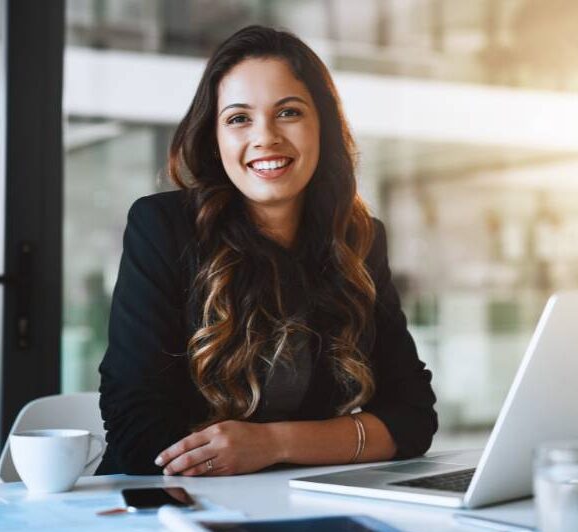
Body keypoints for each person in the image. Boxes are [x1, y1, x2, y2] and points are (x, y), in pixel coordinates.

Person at [96, 25, 437, 477]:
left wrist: (273, 443)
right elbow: (137, 429)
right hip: (169, 507)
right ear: (215, 140)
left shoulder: (359, 239)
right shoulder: (163, 227)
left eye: (289, 113)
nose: (266, 137)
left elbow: (412, 417)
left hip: (299, 502)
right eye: (239, 118)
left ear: (323, 128)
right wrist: (332, 441)